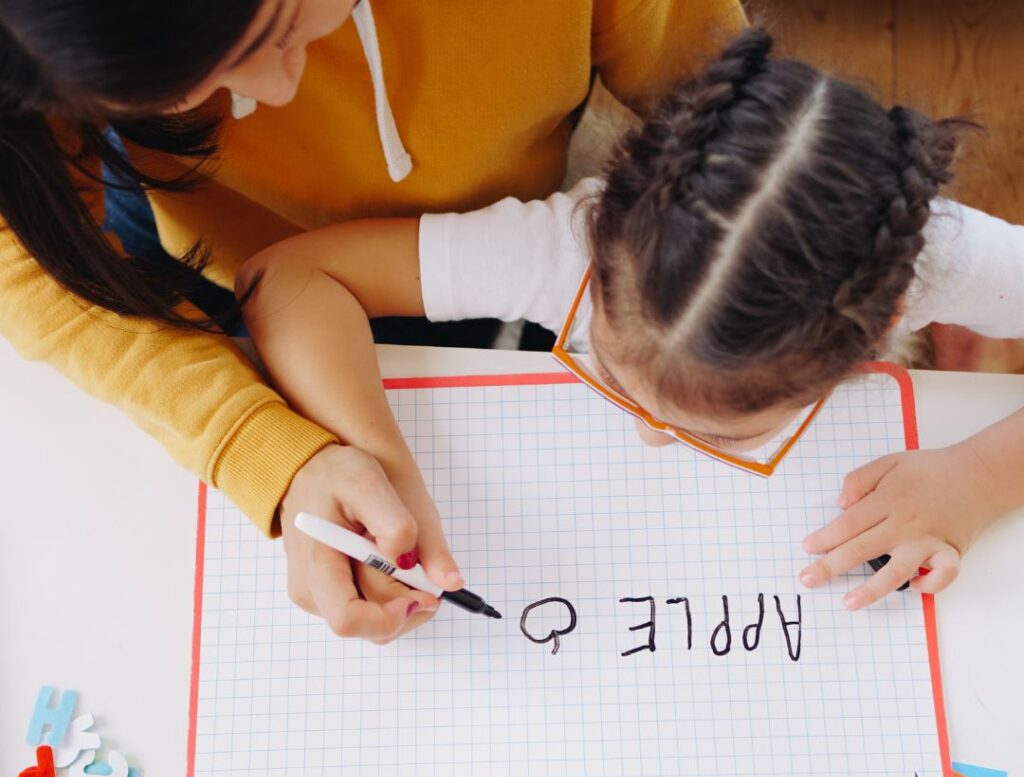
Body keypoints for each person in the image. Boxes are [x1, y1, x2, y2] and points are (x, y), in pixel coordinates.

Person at [0, 0, 745, 643]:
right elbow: (29, 262)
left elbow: (739, 116)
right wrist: (265, 448)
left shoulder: (547, 243)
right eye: (175, 99)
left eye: (286, 29)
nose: (274, 89)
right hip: (205, 270)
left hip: (489, 253)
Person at [238, 29, 1024, 613]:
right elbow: (288, 277)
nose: (650, 435)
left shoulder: (943, 260)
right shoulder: (558, 246)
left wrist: (980, 479)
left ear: (879, 322)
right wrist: (383, 464)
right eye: (613, 376)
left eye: (717, 430)